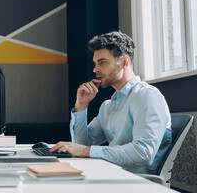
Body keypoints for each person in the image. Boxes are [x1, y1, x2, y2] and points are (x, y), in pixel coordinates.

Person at [51, 31, 172, 174]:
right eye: (95, 63)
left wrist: (86, 150)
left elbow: (143, 153)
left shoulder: (146, 95)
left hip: (134, 183)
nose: (95, 69)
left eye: (102, 62)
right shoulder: (108, 106)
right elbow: (81, 145)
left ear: (124, 62)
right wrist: (81, 106)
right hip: (108, 174)